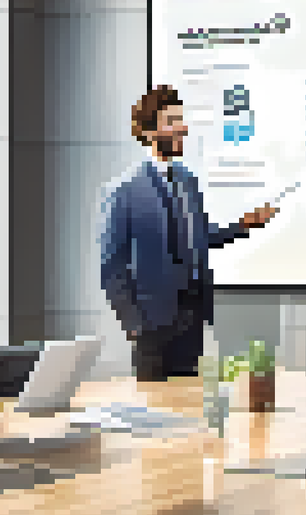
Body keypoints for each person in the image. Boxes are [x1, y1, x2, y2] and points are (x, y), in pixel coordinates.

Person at [100, 85, 278, 381]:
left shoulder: (188, 182)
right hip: (151, 326)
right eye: (171, 121)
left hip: (192, 319)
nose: (182, 128)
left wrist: (243, 226)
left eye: (181, 119)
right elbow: (112, 265)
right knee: (155, 409)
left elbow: (199, 237)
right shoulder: (125, 190)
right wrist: (133, 325)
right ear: (148, 132)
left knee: (189, 406)